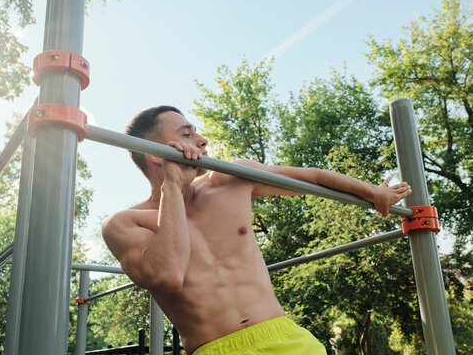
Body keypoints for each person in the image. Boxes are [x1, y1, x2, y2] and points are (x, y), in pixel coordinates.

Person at [102, 106, 412, 355]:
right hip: (214, 348)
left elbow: (312, 177)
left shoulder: (230, 180)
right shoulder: (125, 222)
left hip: (284, 335)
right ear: (155, 154)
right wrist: (172, 183)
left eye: (197, 131)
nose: (202, 139)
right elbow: (168, 276)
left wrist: (374, 192)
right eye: (186, 133)